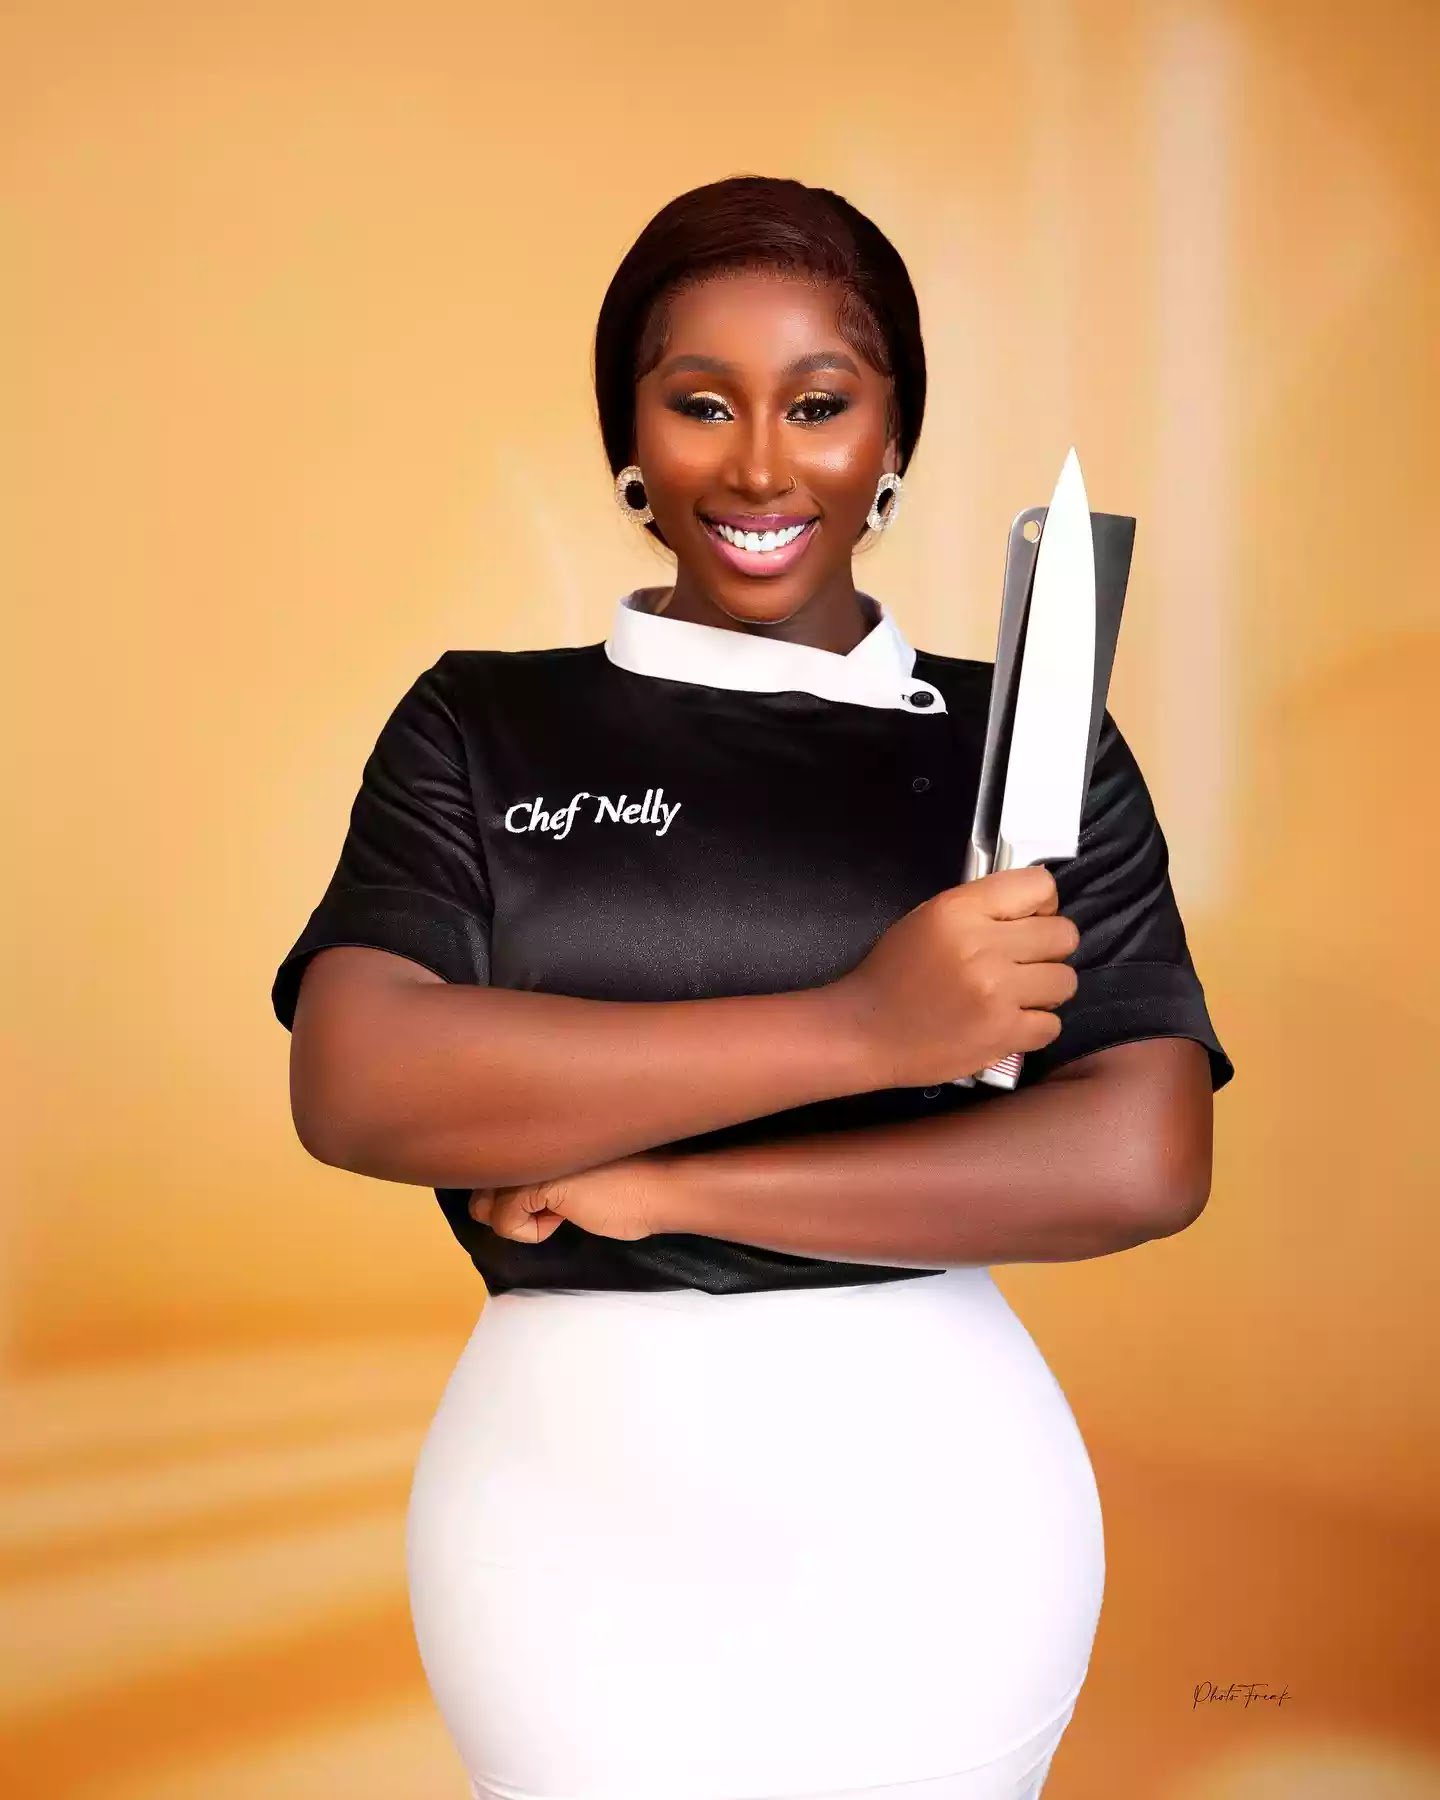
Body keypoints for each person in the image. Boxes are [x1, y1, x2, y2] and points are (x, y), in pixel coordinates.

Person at [271, 175, 1234, 1800]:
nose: (763, 466)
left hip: (940, 1505)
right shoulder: (481, 728)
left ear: (892, 435)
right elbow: (361, 1078)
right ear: (629, 439)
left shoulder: (1019, 746)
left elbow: (1140, 1154)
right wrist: (865, 1027)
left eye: (820, 404)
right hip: (559, 1515)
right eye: (703, 403)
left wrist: (662, 1188)